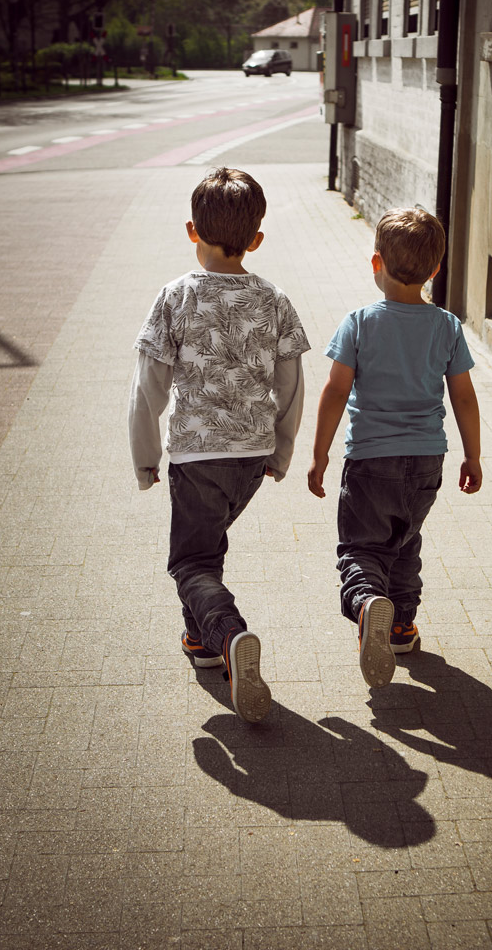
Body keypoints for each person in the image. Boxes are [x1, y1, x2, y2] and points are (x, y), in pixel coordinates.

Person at [129, 167, 309, 723]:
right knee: (207, 545)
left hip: (197, 457)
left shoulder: (175, 296)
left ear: (192, 230)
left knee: (192, 561)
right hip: (251, 457)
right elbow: (292, 385)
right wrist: (281, 451)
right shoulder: (274, 298)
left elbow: (148, 388)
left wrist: (145, 458)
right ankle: (202, 640)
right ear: (256, 239)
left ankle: (228, 633)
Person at [306, 207, 482, 688]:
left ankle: (368, 604)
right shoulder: (446, 326)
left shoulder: (360, 322)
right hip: (427, 460)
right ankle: (401, 625)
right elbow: (464, 396)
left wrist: (320, 454)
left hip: (370, 460)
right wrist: (473, 455)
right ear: (435, 270)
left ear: (376, 263)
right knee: (405, 539)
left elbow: (335, 391)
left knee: (362, 548)